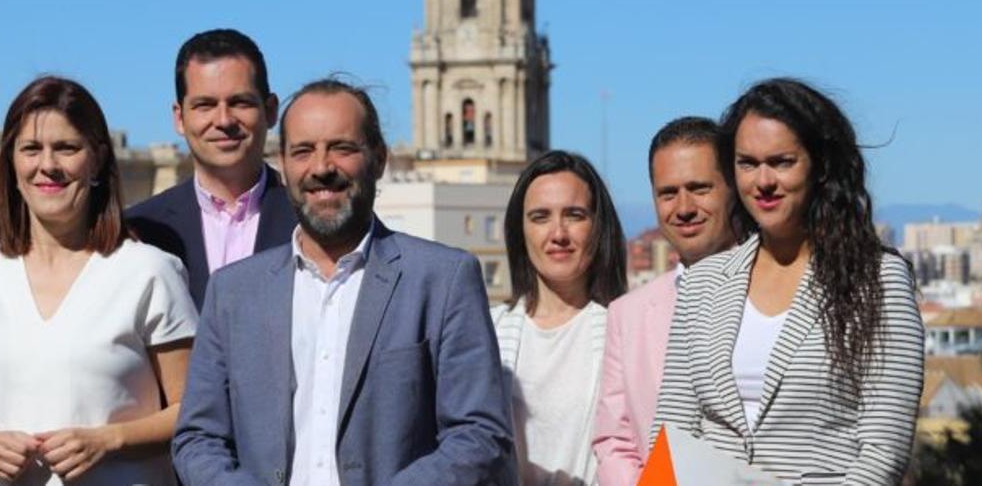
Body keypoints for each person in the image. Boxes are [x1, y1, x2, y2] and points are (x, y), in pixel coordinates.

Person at [172, 78, 517, 486]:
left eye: (342, 148)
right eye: (303, 151)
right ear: (283, 165)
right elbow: (198, 437)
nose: (322, 167)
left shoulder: (442, 279)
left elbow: (480, 434)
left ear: (379, 160)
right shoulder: (233, 292)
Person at [652, 79, 924, 483]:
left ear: (820, 166)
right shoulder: (703, 282)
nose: (763, 181)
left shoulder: (878, 280)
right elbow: (671, 433)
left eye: (781, 162)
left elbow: (882, 451)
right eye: (747, 163)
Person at [0, 76, 198, 486]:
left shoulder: (149, 272)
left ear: (96, 161)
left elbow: (192, 408)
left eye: (67, 148)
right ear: (12, 165)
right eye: (31, 149)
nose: (47, 165)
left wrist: (110, 439)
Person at [592, 117, 737, 486]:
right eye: (668, 193)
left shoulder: (780, 291)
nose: (684, 207)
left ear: (733, 189)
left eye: (700, 188)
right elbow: (614, 439)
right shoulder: (629, 314)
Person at [127, 29, 296, 310]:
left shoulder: (310, 222)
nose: (223, 120)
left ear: (270, 110)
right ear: (179, 118)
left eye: (239, 102)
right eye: (205, 105)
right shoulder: (136, 232)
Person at [492, 151, 628, 485]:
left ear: (598, 226)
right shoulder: (488, 331)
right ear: (520, 230)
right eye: (540, 217)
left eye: (575, 215)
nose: (558, 234)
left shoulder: (625, 331)